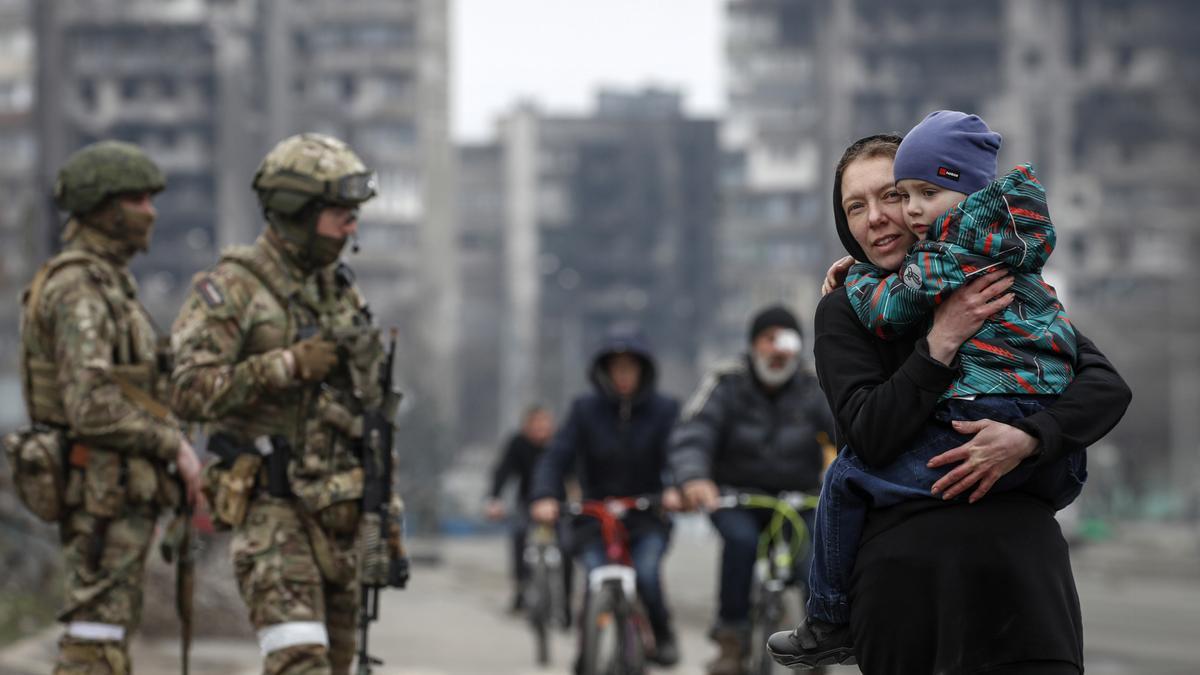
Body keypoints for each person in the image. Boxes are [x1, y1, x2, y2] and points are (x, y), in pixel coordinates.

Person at [767, 134, 1131, 673]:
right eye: (854, 208)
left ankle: (824, 618)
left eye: (891, 195)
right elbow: (867, 435)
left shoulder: (998, 280)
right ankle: (830, 618)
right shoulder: (844, 310)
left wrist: (1030, 438)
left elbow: (1103, 386)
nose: (876, 218)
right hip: (906, 587)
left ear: (930, 199)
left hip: (1023, 578)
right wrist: (939, 343)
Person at [171, 133, 391, 675]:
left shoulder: (341, 292)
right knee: (299, 663)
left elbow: (372, 414)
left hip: (339, 517)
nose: (351, 225)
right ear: (297, 209)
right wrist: (284, 365)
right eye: (340, 211)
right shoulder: (234, 289)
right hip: (274, 513)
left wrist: (385, 514)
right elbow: (186, 389)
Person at [12, 140, 203, 674]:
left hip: (117, 496)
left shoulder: (111, 284)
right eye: (139, 200)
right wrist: (173, 446)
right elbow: (89, 404)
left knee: (106, 642)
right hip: (100, 501)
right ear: (105, 208)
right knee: (93, 646)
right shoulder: (80, 289)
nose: (152, 212)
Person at [669, 305, 835, 675]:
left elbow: (850, 432)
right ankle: (731, 639)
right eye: (768, 339)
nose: (777, 351)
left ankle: (820, 642)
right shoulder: (726, 383)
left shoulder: (814, 387)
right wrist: (695, 478)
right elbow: (694, 434)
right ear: (752, 345)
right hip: (735, 497)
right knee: (741, 544)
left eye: (786, 342)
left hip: (800, 497)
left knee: (814, 560)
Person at [529, 330, 683, 667]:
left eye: (631, 367)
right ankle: (588, 655)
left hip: (646, 514)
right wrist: (545, 496)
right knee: (595, 579)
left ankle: (662, 632)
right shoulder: (584, 410)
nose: (624, 375)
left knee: (646, 574)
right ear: (605, 372)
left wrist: (677, 488)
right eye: (617, 368)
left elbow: (680, 454)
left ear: (643, 371)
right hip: (594, 516)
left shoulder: (665, 410)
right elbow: (556, 458)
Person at [485, 405, 562, 613]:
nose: (540, 428)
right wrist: (495, 499)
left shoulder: (560, 443)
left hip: (558, 504)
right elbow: (503, 471)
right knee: (519, 536)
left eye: (544, 423)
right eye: (535, 424)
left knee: (568, 544)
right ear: (526, 426)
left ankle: (565, 601)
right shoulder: (518, 443)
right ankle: (521, 588)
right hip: (527, 502)